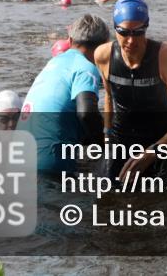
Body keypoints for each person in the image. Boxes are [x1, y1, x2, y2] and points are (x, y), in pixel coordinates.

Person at [93, 0, 167, 181]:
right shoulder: (103, 55)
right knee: (106, 194)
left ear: (146, 27)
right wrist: (106, 136)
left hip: (162, 139)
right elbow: (109, 97)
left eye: (138, 32)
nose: (131, 41)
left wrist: (152, 153)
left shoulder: (166, 57)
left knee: (165, 201)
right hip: (122, 136)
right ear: (114, 28)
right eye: (124, 32)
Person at [19, 15, 110, 173]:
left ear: (69, 40)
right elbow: (87, 113)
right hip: (48, 161)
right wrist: (106, 146)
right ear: (102, 47)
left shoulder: (53, 63)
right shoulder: (86, 67)